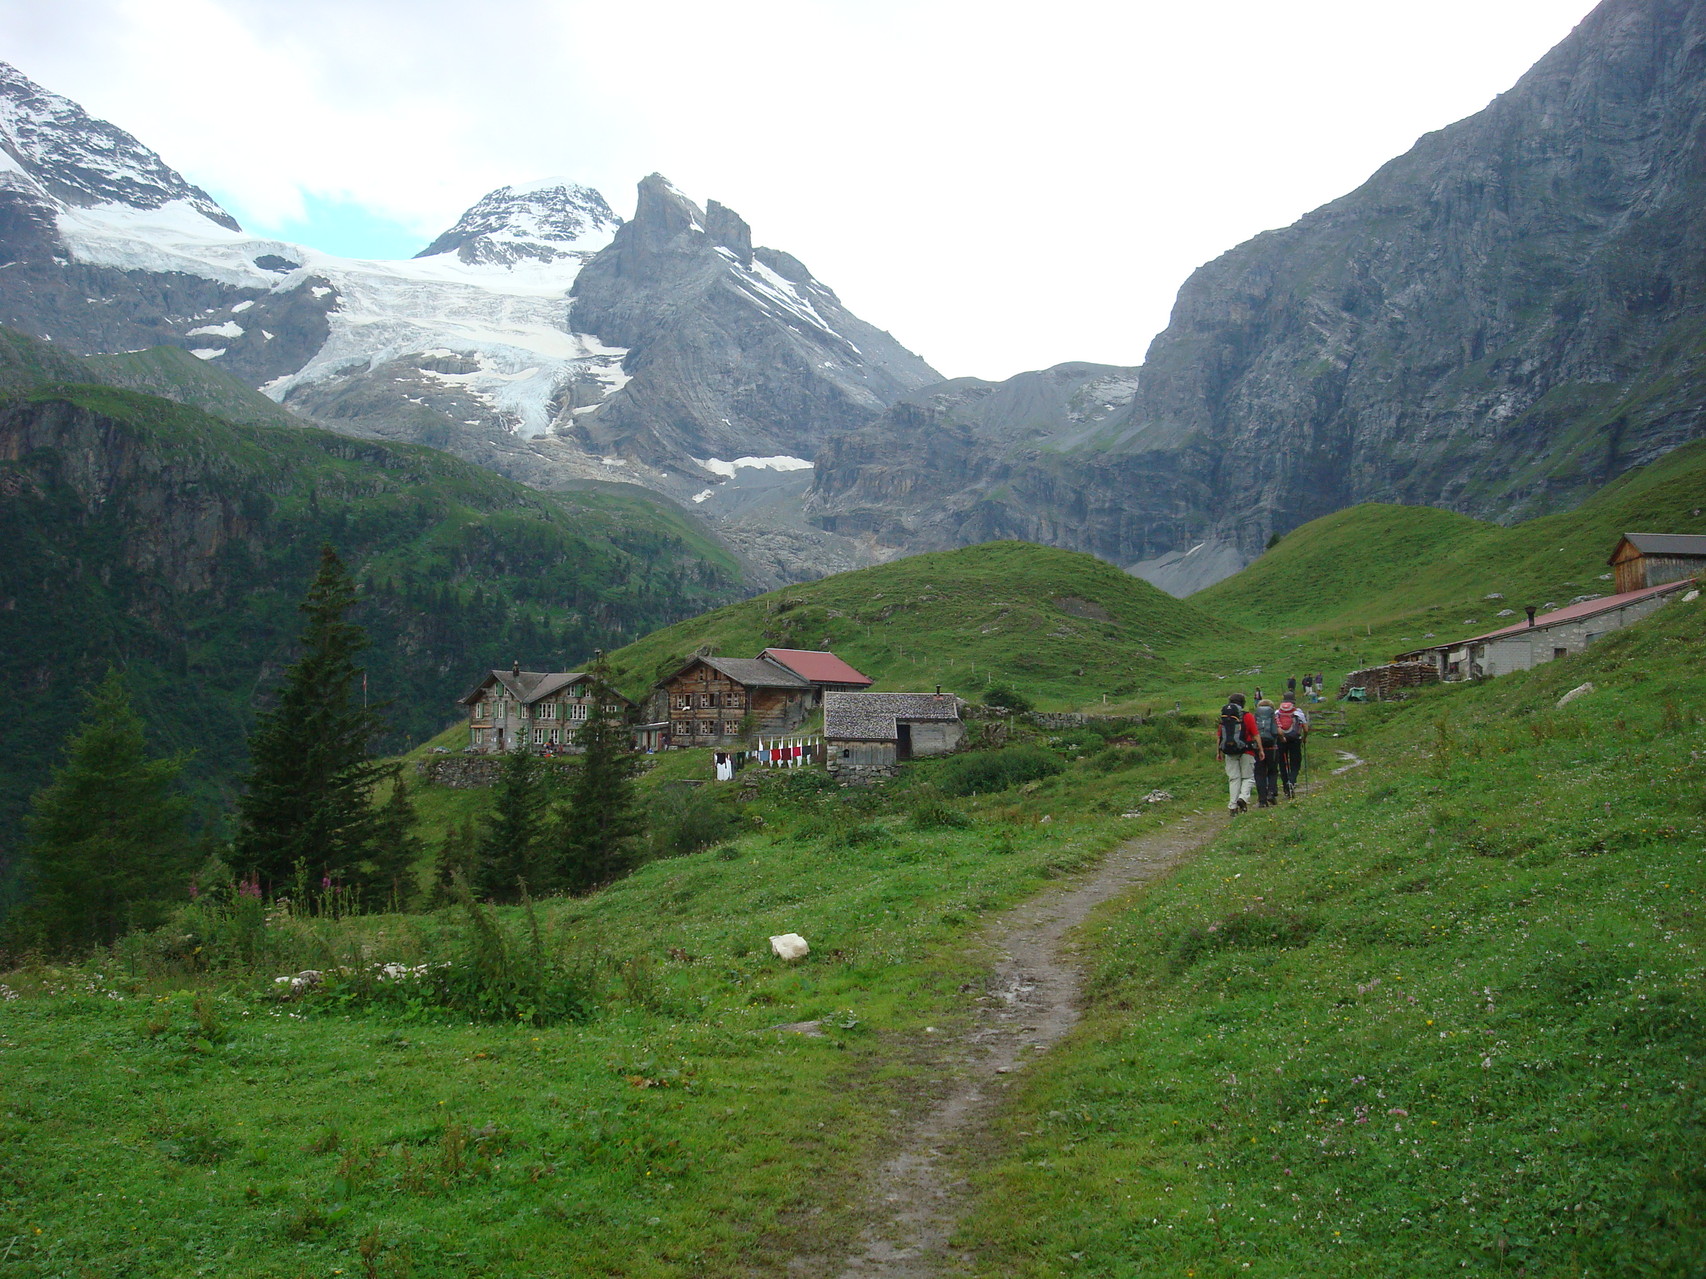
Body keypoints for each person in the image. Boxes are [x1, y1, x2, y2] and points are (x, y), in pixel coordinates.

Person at [1215, 693, 1264, 815]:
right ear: (1243, 703)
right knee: (1248, 777)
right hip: (1247, 750)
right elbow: (1255, 734)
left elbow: (1219, 736)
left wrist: (1218, 752)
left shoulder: (1225, 717)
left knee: (1234, 778)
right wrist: (1261, 749)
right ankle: (1242, 798)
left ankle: (1232, 806)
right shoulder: (1247, 716)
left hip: (1229, 751)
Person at [1275, 699, 1309, 797]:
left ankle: (1286, 784)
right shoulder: (1298, 712)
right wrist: (1304, 738)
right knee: (1295, 762)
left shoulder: (1277, 713)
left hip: (1281, 740)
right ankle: (1292, 781)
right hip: (1295, 740)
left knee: (1282, 763)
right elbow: (1306, 729)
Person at [1252, 697, 1280, 807]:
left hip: (1258, 749)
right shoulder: (1274, 715)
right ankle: (1271, 793)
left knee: (1259, 774)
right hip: (1272, 748)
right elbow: (1278, 730)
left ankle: (1262, 800)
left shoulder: (1255, 716)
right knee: (1273, 772)